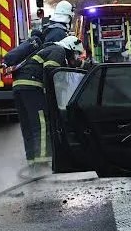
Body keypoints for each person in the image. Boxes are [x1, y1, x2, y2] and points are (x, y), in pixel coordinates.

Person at [12, 35, 85, 171]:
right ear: (71, 48)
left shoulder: (48, 49)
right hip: (32, 86)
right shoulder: (59, 51)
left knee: (28, 127)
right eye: (76, 54)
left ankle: (32, 163)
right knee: (41, 125)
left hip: (19, 86)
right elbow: (51, 71)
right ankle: (42, 165)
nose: (75, 58)